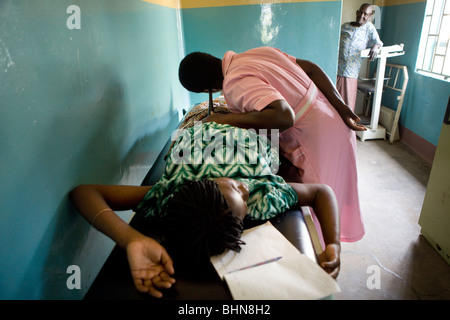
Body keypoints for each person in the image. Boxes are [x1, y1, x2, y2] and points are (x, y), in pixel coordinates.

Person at [69, 121, 341, 298]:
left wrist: (132, 240)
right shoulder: (262, 195)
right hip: (247, 142)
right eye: (244, 201)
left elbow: (84, 192)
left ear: (204, 182)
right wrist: (334, 243)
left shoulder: (170, 193)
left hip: (199, 130)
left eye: (236, 187)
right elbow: (321, 192)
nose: (245, 190)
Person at [178, 46, 365, 243]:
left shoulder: (234, 83)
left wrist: (225, 120)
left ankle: (324, 257)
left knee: (319, 220)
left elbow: (284, 116)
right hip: (334, 119)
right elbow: (312, 69)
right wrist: (341, 105)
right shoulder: (257, 52)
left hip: (317, 140)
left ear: (208, 90)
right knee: (334, 201)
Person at [337, 3, 383, 111]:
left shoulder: (369, 28)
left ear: (370, 16)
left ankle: (347, 127)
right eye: (361, 12)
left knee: (347, 105)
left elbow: (378, 42)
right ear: (357, 12)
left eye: (366, 14)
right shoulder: (345, 26)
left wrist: (375, 47)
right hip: (337, 70)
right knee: (334, 101)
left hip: (351, 73)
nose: (362, 16)